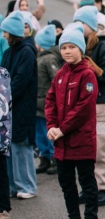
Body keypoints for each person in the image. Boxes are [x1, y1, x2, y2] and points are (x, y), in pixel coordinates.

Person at [46, 23, 101, 219]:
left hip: (81, 139)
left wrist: (62, 128)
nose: (67, 51)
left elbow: (83, 108)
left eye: (71, 47)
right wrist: (51, 126)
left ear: (81, 49)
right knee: (66, 183)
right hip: (61, 141)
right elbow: (50, 100)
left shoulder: (87, 75)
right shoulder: (60, 74)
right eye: (64, 47)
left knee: (87, 182)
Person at [74, 6, 105, 207]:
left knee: (100, 148)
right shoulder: (78, 44)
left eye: (81, 22)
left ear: (91, 26)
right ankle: (90, 188)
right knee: (85, 148)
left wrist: (93, 70)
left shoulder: (104, 46)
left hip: (101, 103)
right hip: (84, 105)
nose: (78, 26)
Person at [1, 12, 38, 200]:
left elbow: (20, 80)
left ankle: (27, 186)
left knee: (21, 144)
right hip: (8, 105)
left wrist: (5, 96)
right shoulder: (9, 52)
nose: (3, 35)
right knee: (9, 145)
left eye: (5, 31)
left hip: (22, 106)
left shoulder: (27, 52)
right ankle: (13, 185)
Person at [35, 24, 61, 175]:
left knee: (48, 131)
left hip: (45, 101)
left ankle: (54, 158)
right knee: (40, 134)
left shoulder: (49, 58)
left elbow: (56, 79)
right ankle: (44, 157)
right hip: (38, 102)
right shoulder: (41, 57)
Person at [0, 65, 12, 219]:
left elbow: (3, 105)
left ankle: (3, 212)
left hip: (0, 131)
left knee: (0, 171)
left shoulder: (2, 74)